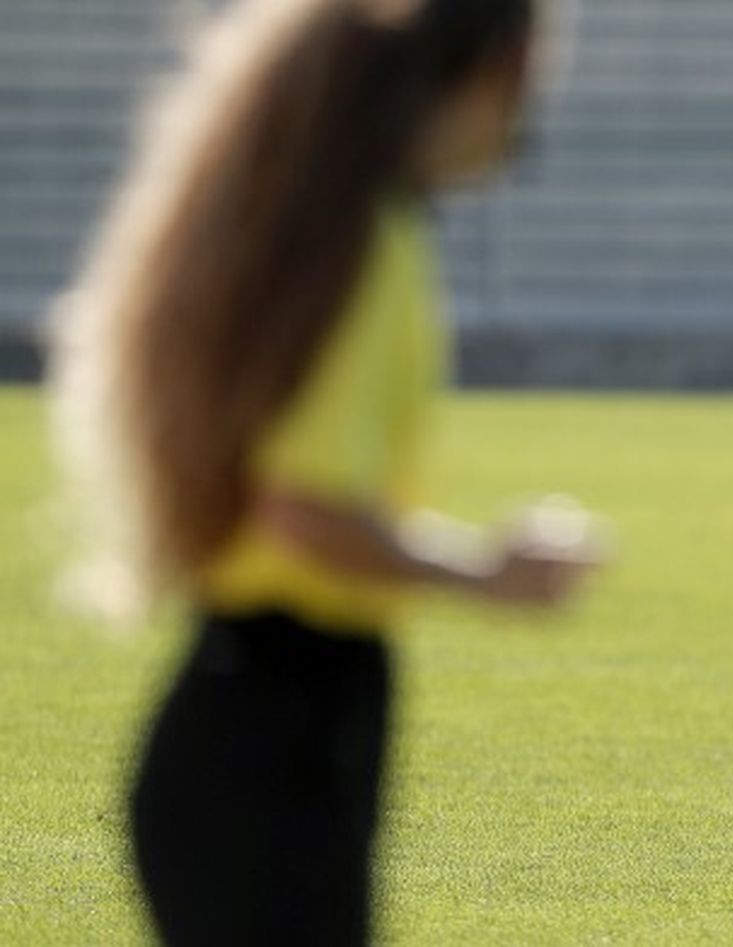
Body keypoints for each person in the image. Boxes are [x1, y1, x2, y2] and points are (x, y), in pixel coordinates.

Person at [50, 1, 599, 942]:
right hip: (271, 749)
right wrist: (487, 571)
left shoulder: (321, 233)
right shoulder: (370, 250)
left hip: (251, 728)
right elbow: (303, 508)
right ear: (497, 67)